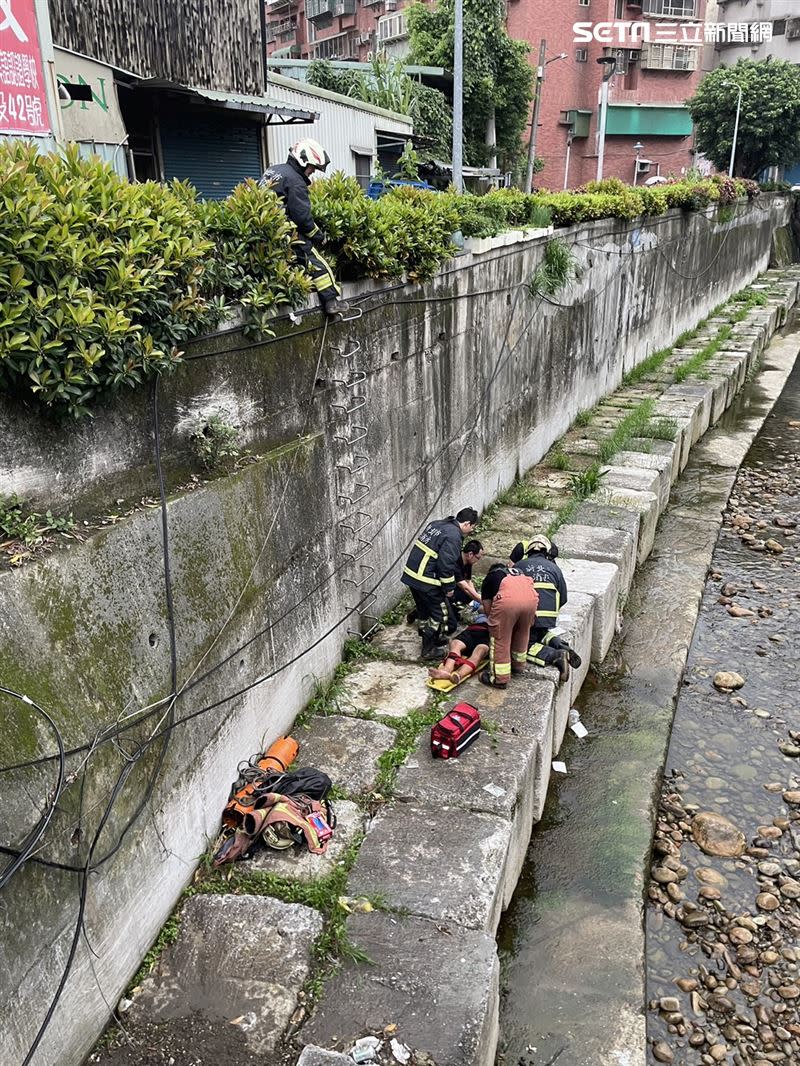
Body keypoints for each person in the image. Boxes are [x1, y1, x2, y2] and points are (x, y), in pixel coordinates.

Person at [260, 139, 350, 318]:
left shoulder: (273, 171)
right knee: (317, 263)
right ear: (302, 161)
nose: (313, 172)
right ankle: (331, 302)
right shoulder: (296, 181)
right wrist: (318, 236)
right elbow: (302, 217)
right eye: (312, 168)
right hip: (287, 231)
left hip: (266, 230)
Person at [401, 507, 479, 659]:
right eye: (472, 528)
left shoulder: (437, 524)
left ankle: (430, 638)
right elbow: (446, 565)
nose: (471, 531)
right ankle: (428, 650)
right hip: (426, 580)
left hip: (412, 575)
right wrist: (449, 588)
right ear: (467, 524)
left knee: (424, 610)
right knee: (440, 614)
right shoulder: (454, 536)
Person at [513, 534, 582, 683]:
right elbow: (563, 598)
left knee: (521, 645)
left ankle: (555, 655)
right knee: (540, 633)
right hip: (548, 618)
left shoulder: (519, 566)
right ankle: (562, 646)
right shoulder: (554, 568)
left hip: (527, 617)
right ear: (547, 552)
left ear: (528, 551)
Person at [479, 563, 539, 688]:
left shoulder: (490, 577)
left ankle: (499, 678)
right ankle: (518, 665)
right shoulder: (519, 573)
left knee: (500, 637)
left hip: (508, 601)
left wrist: (497, 624)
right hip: (531, 600)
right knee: (523, 632)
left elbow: (488, 610)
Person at [427, 614, 490, 691]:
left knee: (479, 652)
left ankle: (458, 675)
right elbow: (479, 608)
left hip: (489, 634)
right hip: (473, 630)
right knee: (456, 644)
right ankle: (446, 670)